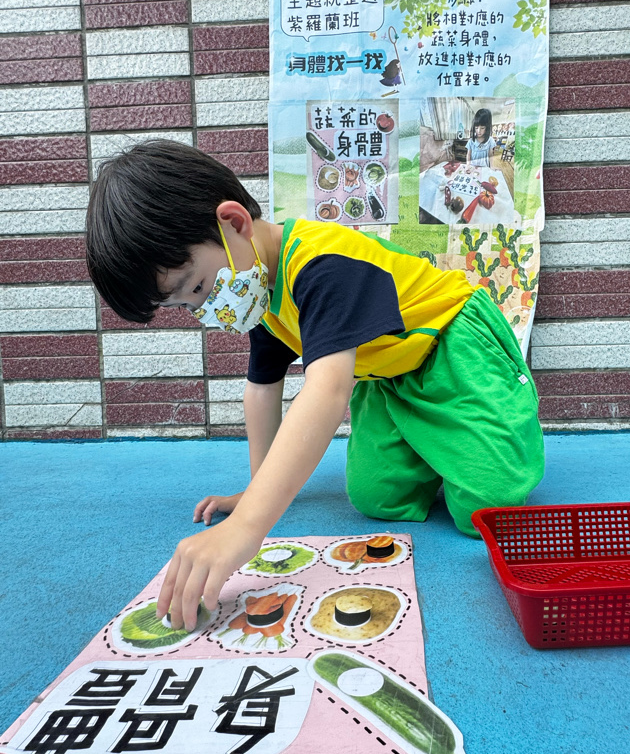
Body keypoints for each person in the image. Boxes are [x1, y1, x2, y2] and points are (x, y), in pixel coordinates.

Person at [86, 140, 544, 631]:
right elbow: (262, 387)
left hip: (454, 345)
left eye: (196, 287)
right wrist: (256, 489)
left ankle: (484, 433)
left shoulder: (322, 265)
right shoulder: (258, 288)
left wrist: (248, 526)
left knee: (487, 509)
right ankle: (442, 444)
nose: (205, 309)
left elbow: (327, 390)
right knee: (376, 499)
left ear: (234, 222)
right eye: (185, 305)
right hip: (389, 377)